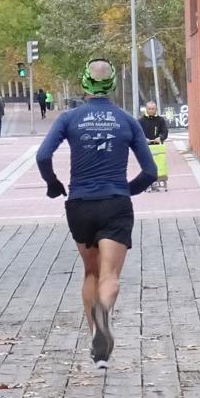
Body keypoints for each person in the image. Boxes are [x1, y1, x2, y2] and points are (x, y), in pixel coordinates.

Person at [36, 60, 156, 369]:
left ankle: (95, 340)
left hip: (80, 204)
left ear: (84, 83)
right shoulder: (127, 120)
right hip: (115, 203)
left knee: (90, 271)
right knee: (110, 275)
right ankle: (105, 313)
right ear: (113, 84)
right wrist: (126, 191)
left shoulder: (70, 117)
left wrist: (53, 184)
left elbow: (43, 155)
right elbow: (150, 171)